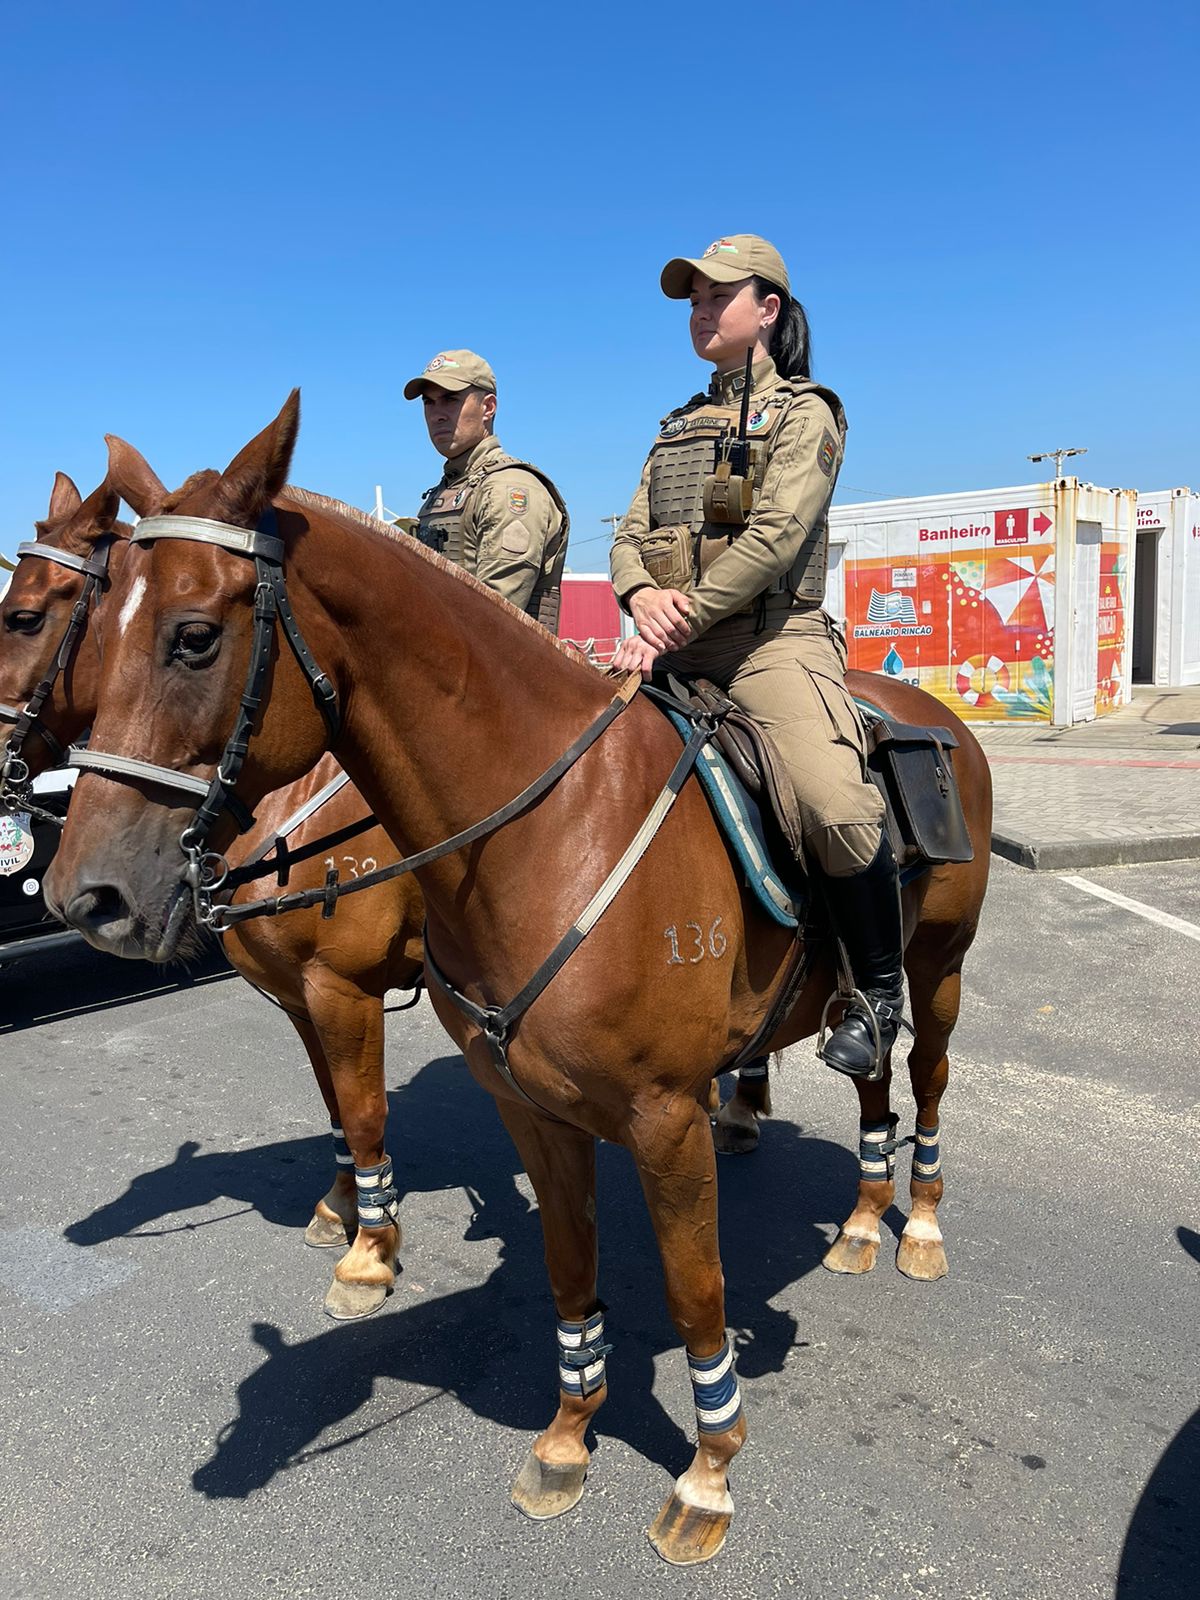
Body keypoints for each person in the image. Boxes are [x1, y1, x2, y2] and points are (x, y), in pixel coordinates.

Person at [609, 234, 902, 1079]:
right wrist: (638, 597)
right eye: (693, 300)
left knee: (835, 803)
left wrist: (678, 616)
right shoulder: (675, 427)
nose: (700, 312)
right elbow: (628, 533)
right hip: (672, 639)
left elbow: (776, 539)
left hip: (768, 644)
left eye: (716, 297)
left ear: (766, 309)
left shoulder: (808, 413)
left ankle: (878, 994)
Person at [403, 349, 569, 630]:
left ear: (488, 407)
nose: (437, 415)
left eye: (450, 399)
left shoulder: (509, 488)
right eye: (429, 403)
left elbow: (494, 616)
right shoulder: (444, 492)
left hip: (509, 669)